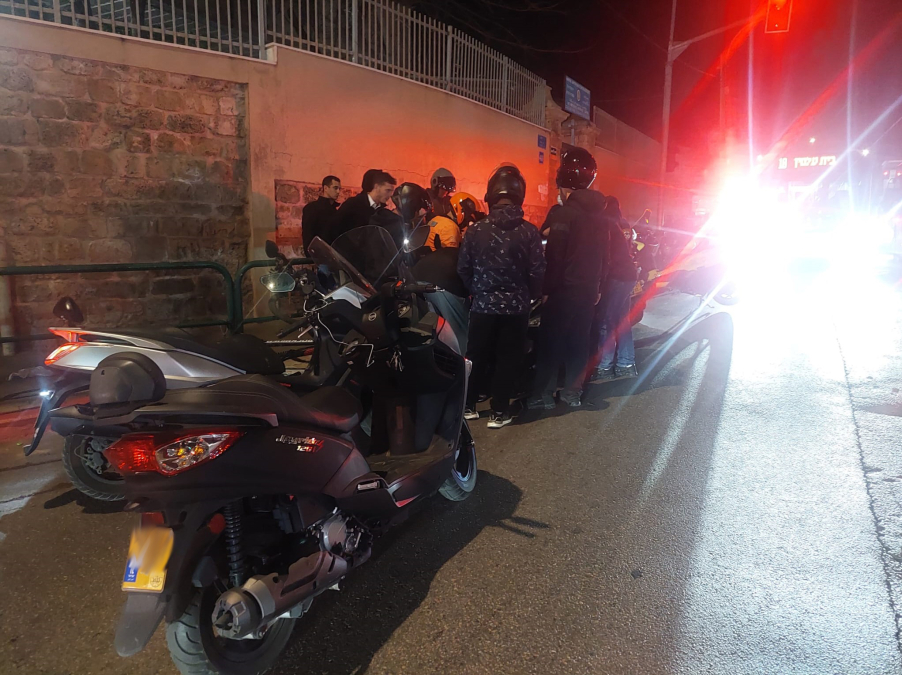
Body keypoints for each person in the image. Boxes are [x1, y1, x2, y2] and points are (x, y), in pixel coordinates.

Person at [458, 164, 545, 429]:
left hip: (483, 307)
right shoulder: (529, 232)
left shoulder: (475, 230)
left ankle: (468, 406)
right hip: (516, 309)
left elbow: (463, 268)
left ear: (491, 194)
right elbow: (537, 270)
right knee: (508, 359)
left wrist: (477, 290)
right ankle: (499, 412)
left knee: (476, 356)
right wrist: (531, 295)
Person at [528, 147, 606, 409]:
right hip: (588, 291)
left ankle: (543, 395)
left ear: (563, 181)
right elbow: (603, 255)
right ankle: (572, 394)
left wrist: (546, 289)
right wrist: (597, 286)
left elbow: (555, 257)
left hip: (563, 291)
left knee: (551, 343)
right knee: (579, 343)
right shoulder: (601, 216)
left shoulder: (564, 214)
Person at [594, 196, 639, 379]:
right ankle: (625, 364)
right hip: (628, 275)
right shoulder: (621, 223)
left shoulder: (605, 225)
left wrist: (598, 284)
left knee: (607, 321)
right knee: (622, 320)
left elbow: (605, 257)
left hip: (617, 277)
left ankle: (604, 366)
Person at [332, 170, 397, 240]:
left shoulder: (382, 211)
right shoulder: (353, 204)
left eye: (391, 191)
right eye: (387, 190)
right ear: (377, 187)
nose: (391, 194)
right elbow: (334, 228)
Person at [302, 175, 341, 252]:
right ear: (325, 188)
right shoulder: (312, 208)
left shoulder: (336, 211)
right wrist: (311, 254)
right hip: (319, 254)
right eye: (335, 188)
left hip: (334, 254)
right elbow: (307, 236)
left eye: (339, 189)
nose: (338, 192)